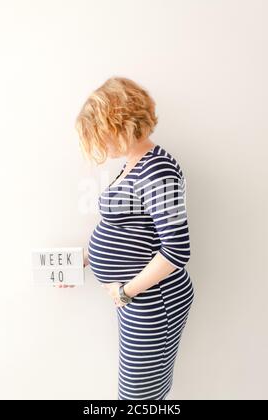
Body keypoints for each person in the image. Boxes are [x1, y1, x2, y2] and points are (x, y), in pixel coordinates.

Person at [72, 76, 194, 400]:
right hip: (137, 299)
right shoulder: (132, 164)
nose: (100, 144)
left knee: (137, 396)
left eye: (101, 133)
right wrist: (79, 261)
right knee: (138, 394)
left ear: (119, 122)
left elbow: (177, 250)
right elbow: (123, 227)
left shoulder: (156, 169)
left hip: (154, 302)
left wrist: (125, 292)